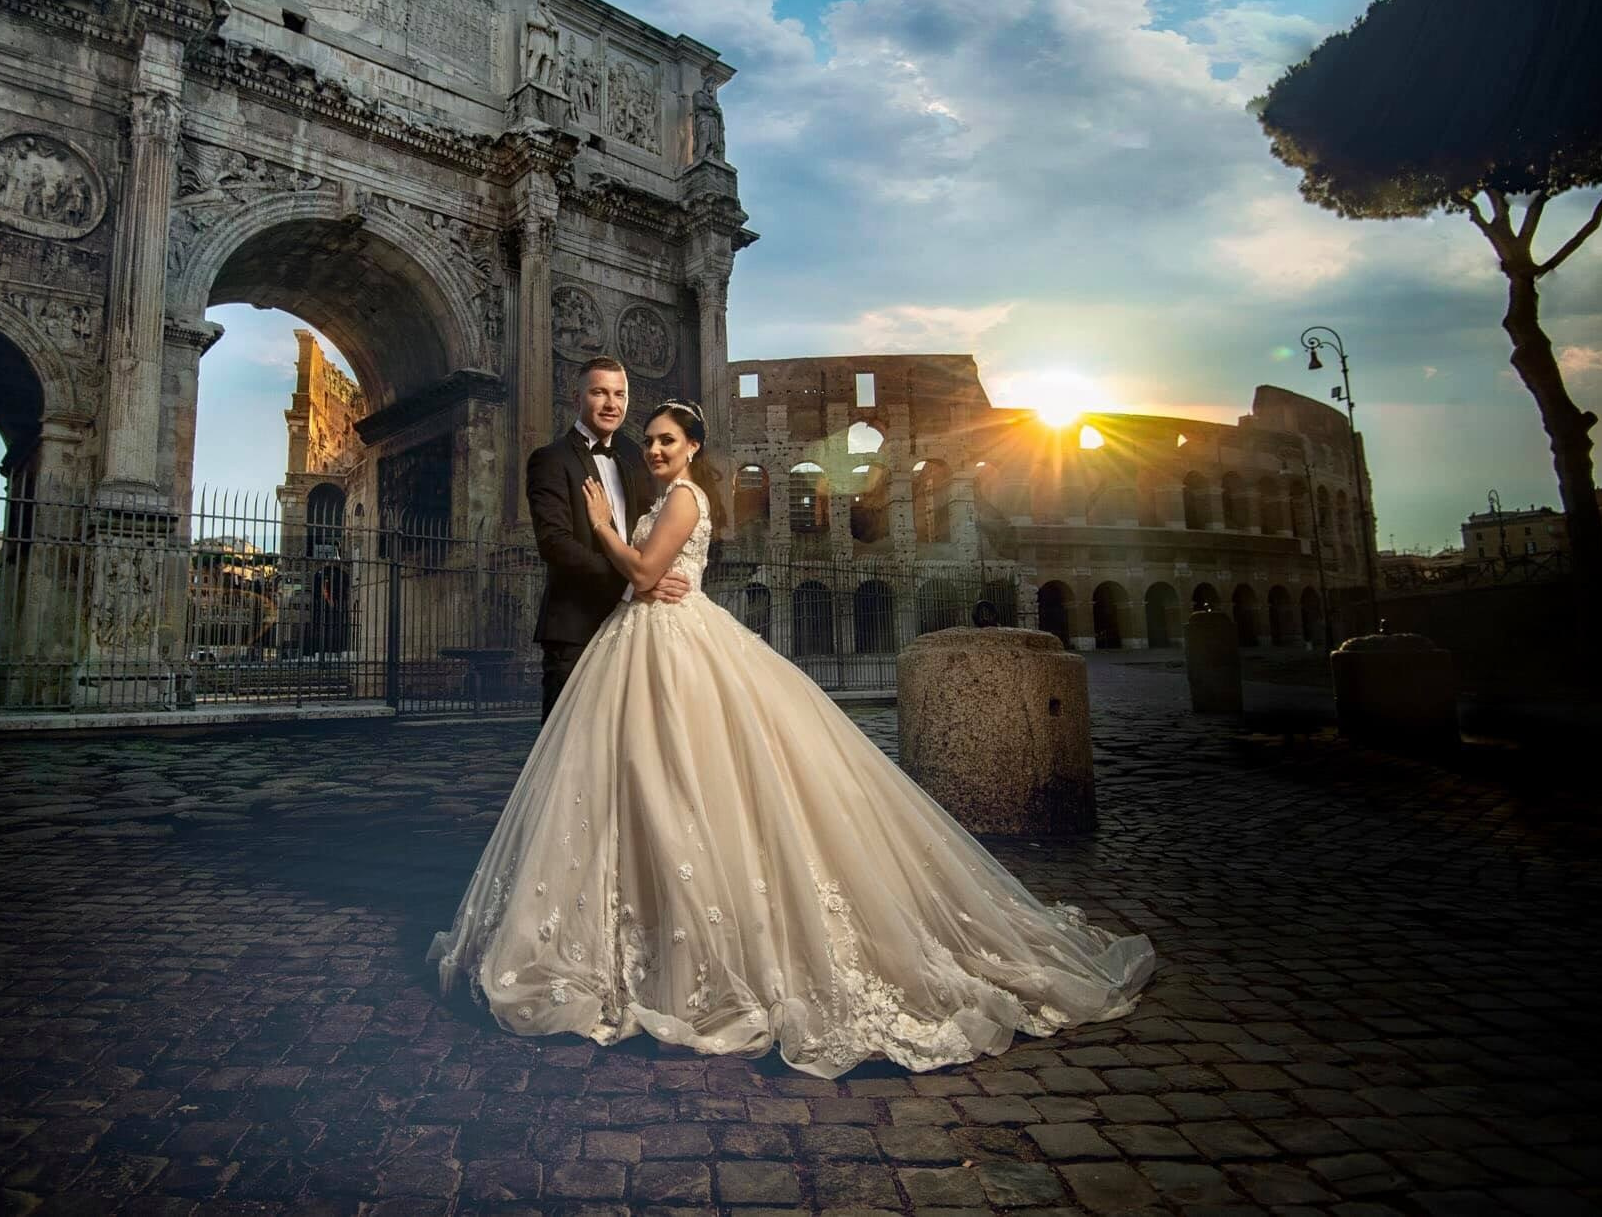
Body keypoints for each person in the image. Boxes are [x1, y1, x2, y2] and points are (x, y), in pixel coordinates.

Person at [430, 401, 1155, 1078]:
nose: (652, 448)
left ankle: (688, 939)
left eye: (666, 440)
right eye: (648, 440)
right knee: (641, 777)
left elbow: (649, 572)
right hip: (647, 640)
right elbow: (647, 581)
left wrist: (606, 532)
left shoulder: (683, 498)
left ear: (693, 448)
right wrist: (631, 557)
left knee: (683, 774)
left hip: (673, 644)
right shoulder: (665, 497)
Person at [524, 357, 689, 722]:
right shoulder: (550, 460)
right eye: (599, 392)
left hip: (637, 625)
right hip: (575, 628)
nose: (611, 404)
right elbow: (555, 543)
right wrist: (634, 583)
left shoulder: (637, 456)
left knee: (627, 741)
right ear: (576, 398)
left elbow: (654, 527)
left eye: (619, 394)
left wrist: (651, 577)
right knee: (567, 746)